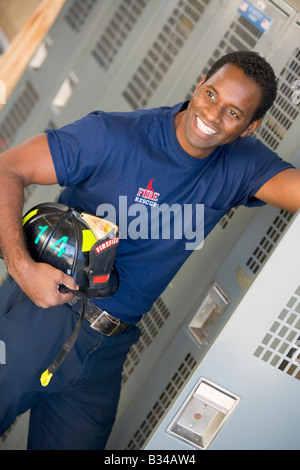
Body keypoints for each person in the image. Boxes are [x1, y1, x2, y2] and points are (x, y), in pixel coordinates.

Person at [0, 50, 299, 450]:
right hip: (43, 314)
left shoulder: (243, 165)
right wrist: (23, 269)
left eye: (232, 113)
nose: (212, 115)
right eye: (210, 95)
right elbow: (8, 168)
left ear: (249, 127)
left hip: (106, 350)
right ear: (198, 86)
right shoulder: (114, 135)